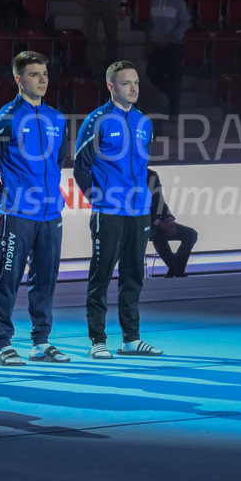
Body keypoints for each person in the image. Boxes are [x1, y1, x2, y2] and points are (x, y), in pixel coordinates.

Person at [74, 59, 162, 359]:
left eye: (136, 82)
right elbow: (81, 168)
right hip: (109, 212)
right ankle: (97, 340)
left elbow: (143, 167)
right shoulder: (96, 120)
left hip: (139, 212)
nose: (134, 87)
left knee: (134, 275)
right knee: (101, 276)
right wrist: (98, 199)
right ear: (111, 86)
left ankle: (131, 339)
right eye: (126, 83)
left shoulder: (144, 123)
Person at [0, 51, 70, 366]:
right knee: (8, 278)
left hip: (50, 213)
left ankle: (41, 342)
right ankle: (3, 344)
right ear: (19, 79)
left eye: (45, 73)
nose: (43, 79)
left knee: (45, 278)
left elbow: (58, 160)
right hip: (18, 213)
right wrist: (2, 199)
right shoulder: (6, 117)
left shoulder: (57, 118)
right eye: (35, 74)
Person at [145, 0, 190, 121]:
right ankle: (172, 92)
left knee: (173, 77)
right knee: (152, 72)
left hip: (173, 45)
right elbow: (151, 24)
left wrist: (171, 36)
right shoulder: (154, 2)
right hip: (158, 45)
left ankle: (174, 112)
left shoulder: (179, 3)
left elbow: (185, 22)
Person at [146, 169, 197, 278]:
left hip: (157, 220)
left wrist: (169, 219)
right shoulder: (128, 175)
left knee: (191, 234)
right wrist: (158, 222)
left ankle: (174, 271)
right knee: (157, 234)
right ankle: (176, 271)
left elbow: (159, 200)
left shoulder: (151, 175)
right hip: (140, 223)